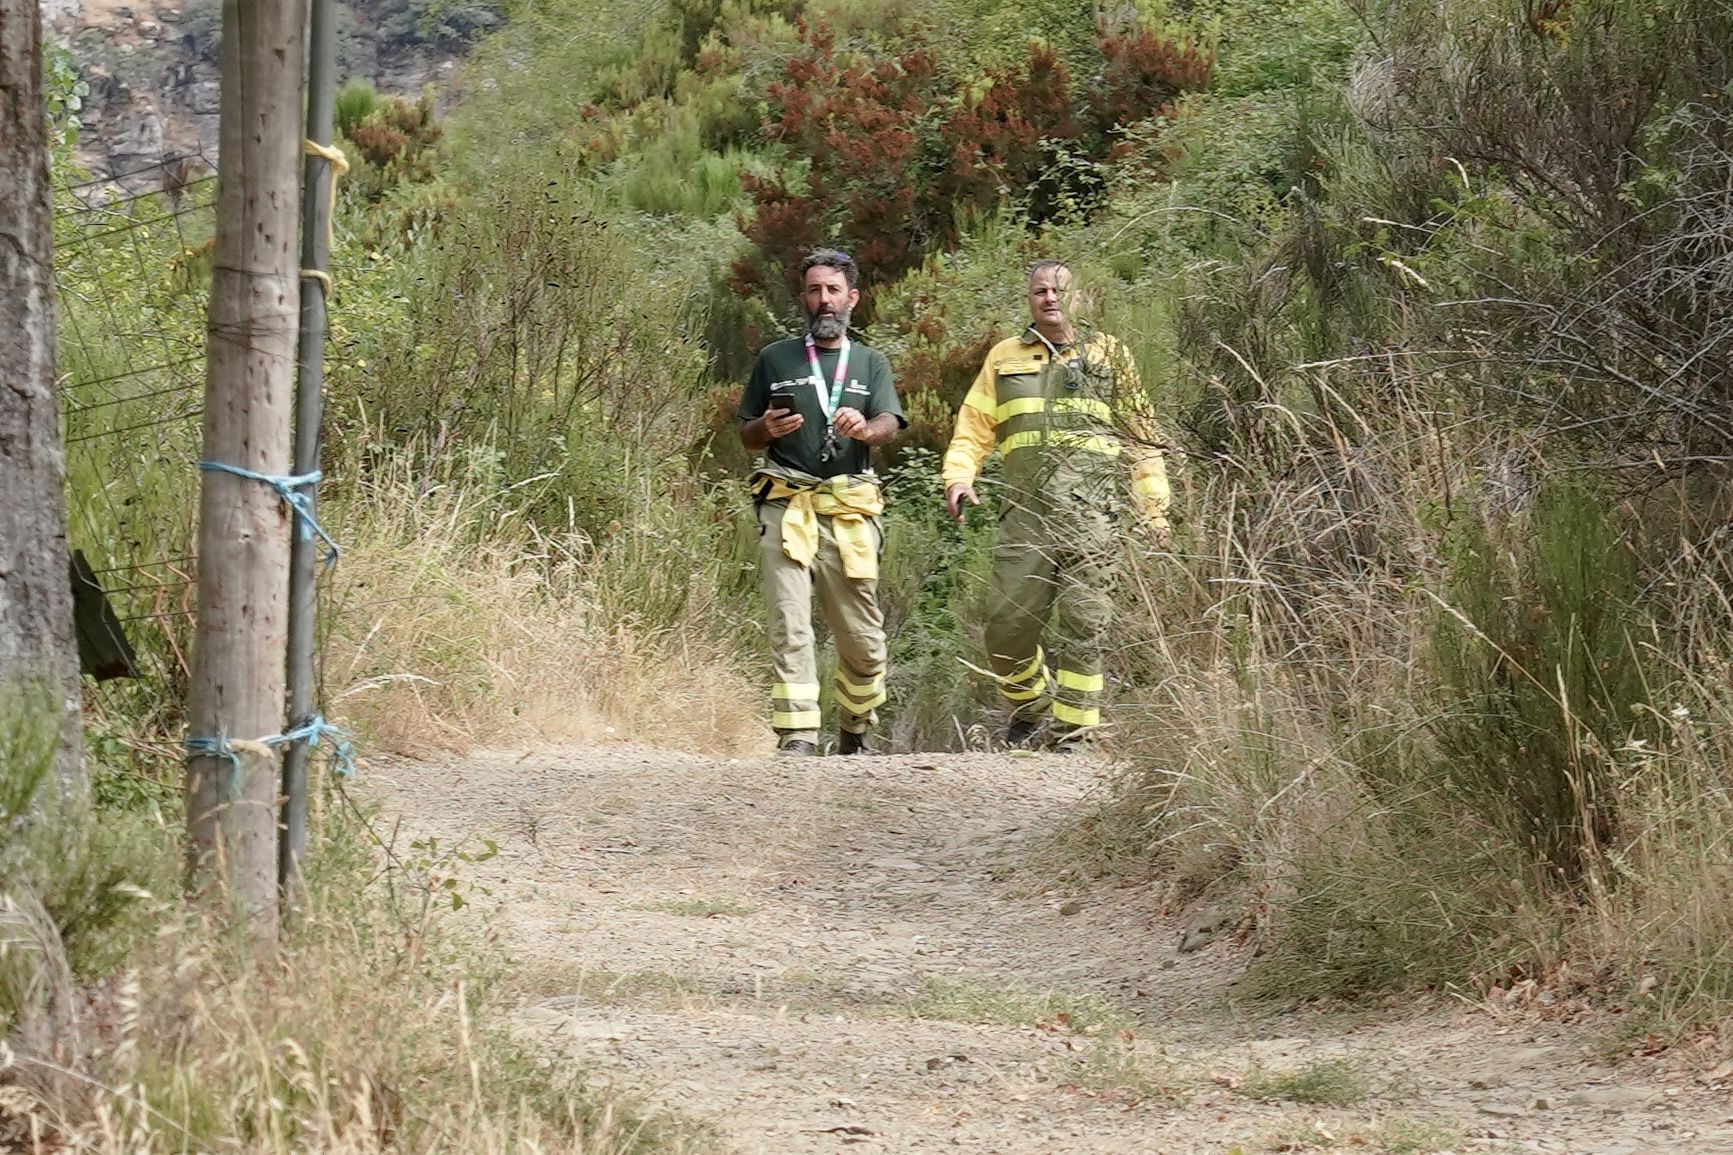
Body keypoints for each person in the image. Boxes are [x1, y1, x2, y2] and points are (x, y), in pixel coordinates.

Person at [940, 260, 1172, 752]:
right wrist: (959, 477)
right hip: (1026, 515)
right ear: (1029, 299)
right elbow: (973, 429)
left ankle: (1076, 734)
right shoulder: (1004, 357)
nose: (1050, 298)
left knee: (1086, 624)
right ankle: (1030, 708)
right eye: (1041, 290)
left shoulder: (1112, 355)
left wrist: (1154, 508)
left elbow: (1143, 438)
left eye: (1060, 290)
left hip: (1094, 516)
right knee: (1005, 627)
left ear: (1080, 298)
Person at [738, 249, 907, 756]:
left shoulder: (871, 362)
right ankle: (798, 737)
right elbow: (747, 432)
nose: (823, 300)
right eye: (814, 290)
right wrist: (763, 428)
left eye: (833, 290)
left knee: (862, 638)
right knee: (790, 622)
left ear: (851, 298)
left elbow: (890, 423)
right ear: (804, 298)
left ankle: (856, 727)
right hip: (786, 503)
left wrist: (866, 428)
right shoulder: (775, 358)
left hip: (848, 507)